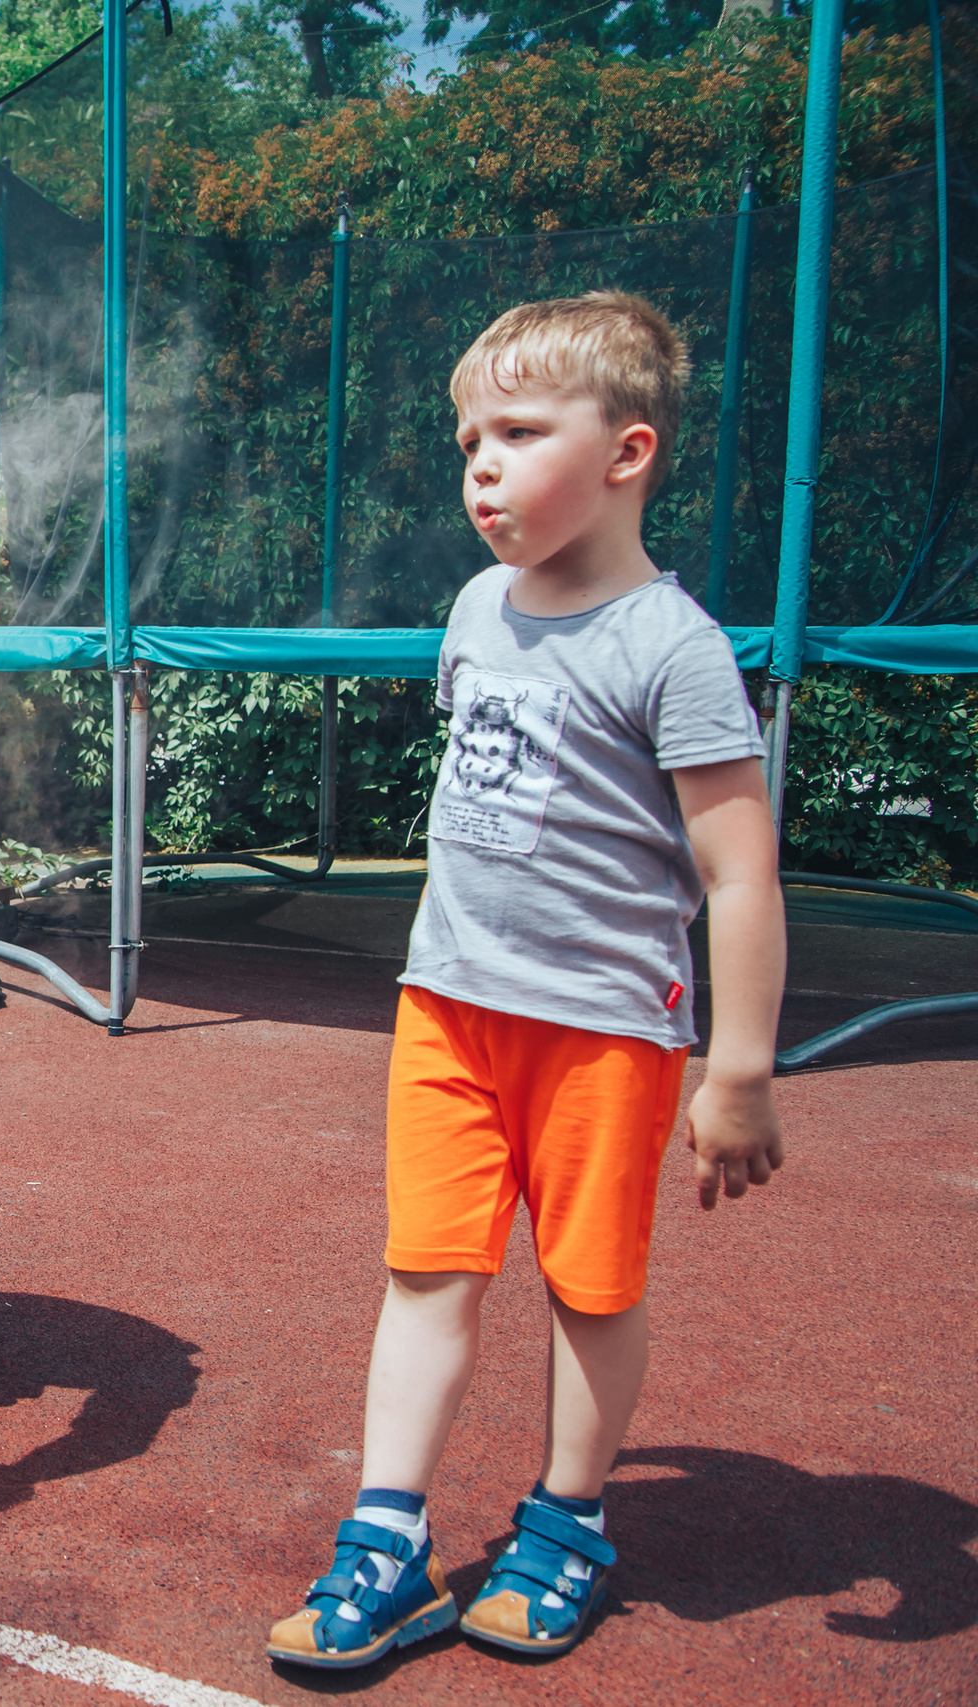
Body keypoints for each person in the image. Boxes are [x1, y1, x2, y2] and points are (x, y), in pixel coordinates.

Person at [266, 293, 787, 1668]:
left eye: (515, 432)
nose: (478, 465)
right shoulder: (474, 607)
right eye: (465, 439)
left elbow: (740, 874)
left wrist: (735, 1066)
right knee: (427, 1269)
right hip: (447, 1009)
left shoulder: (675, 647)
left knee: (592, 1288)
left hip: (605, 1032)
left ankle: (564, 1524)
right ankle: (387, 1541)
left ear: (626, 453)